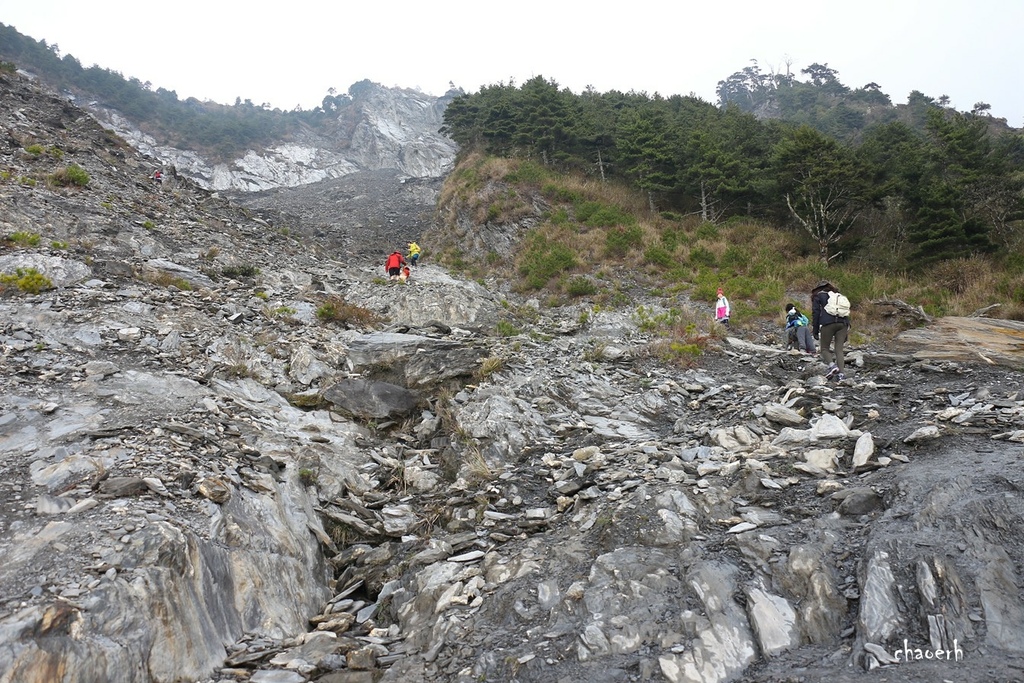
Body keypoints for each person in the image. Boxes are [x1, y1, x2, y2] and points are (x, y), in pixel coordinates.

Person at [811, 280, 850, 380]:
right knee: (839, 349)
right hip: (843, 324)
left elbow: (816, 313)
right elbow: (846, 313)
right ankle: (841, 375)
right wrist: (846, 332)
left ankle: (832, 366)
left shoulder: (818, 296)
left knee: (824, 348)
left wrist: (815, 330)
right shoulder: (838, 296)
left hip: (827, 323)